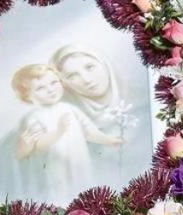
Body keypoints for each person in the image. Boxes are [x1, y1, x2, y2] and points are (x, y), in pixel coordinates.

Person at [9, 63, 122, 204]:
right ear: (27, 96)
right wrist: (58, 132)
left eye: (53, 83)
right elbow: (39, 145)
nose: (50, 90)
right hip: (55, 165)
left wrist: (108, 140)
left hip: (79, 161)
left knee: (84, 189)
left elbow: (88, 131)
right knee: (61, 195)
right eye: (40, 88)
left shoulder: (68, 109)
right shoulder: (34, 117)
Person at [52, 44, 138, 190]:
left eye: (90, 67)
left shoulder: (141, 103)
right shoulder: (69, 123)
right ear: (65, 84)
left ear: (104, 64)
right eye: (72, 76)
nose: (86, 79)